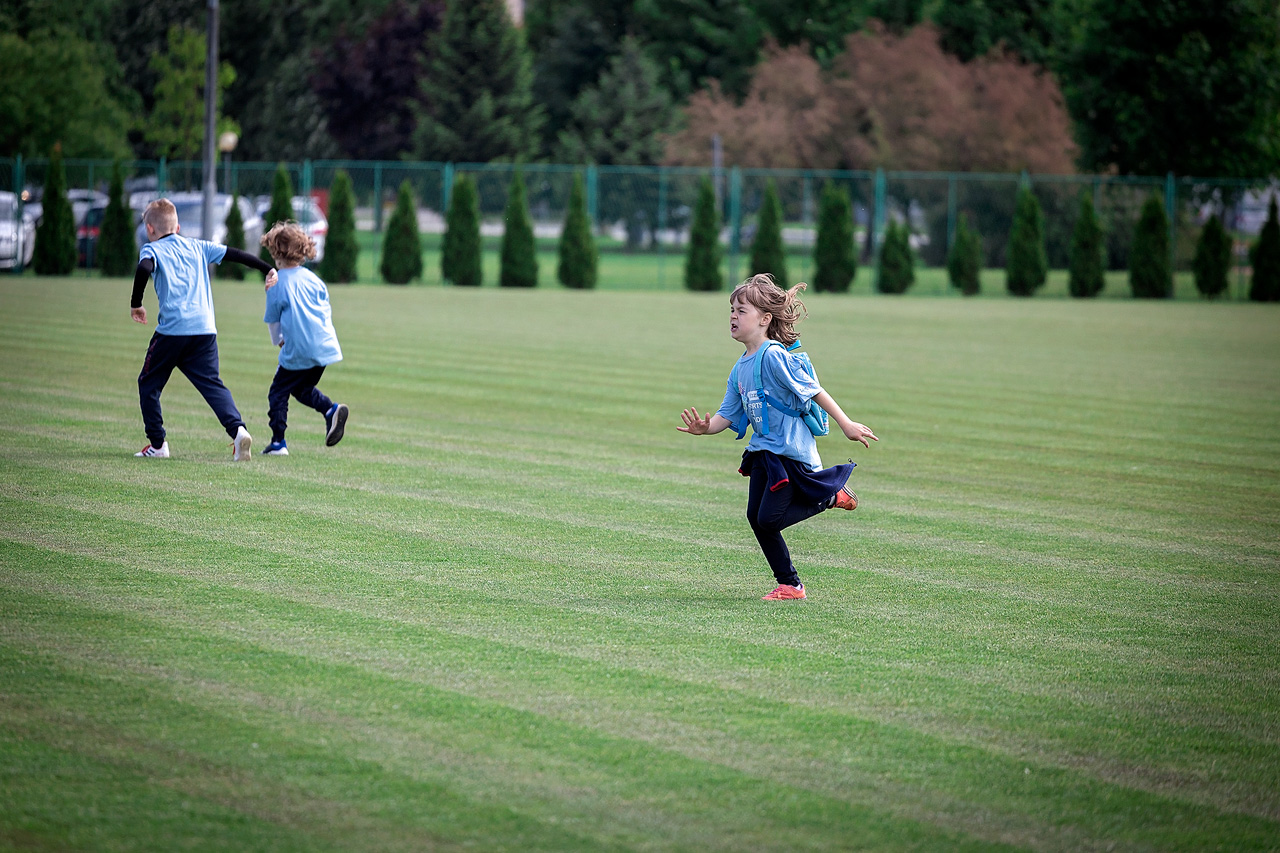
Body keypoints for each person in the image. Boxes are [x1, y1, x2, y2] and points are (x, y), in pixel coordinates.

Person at [678, 273, 878, 601]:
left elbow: (813, 390)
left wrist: (847, 424)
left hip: (791, 453)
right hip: (764, 451)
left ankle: (829, 496)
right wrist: (705, 427)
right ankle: (790, 585)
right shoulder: (740, 367)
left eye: (741, 310)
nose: (732, 315)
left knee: (769, 518)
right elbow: (727, 415)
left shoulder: (773, 355)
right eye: (731, 309)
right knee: (756, 518)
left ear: (764, 319)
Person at [130, 198, 277, 460]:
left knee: (148, 384)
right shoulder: (197, 246)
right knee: (212, 385)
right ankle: (239, 430)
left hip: (172, 332)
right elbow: (236, 255)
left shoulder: (151, 250)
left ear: (150, 230)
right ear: (177, 227)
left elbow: (144, 268)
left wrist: (136, 304)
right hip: (205, 330)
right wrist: (267, 269)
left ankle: (158, 445)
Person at [258, 221, 347, 456]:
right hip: (325, 348)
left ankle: (278, 443)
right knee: (301, 388)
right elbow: (324, 310)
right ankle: (330, 410)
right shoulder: (314, 279)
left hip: (299, 348)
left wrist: (279, 341)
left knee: (278, 392)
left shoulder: (275, 282)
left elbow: (273, 321)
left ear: (276, 252)